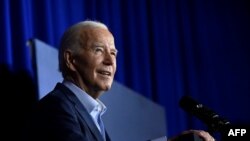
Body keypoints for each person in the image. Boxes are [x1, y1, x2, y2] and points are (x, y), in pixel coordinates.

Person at [27, 20, 215, 141]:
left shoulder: (92, 114)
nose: (110, 61)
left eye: (114, 53)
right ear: (71, 60)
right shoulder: (56, 106)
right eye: (99, 50)